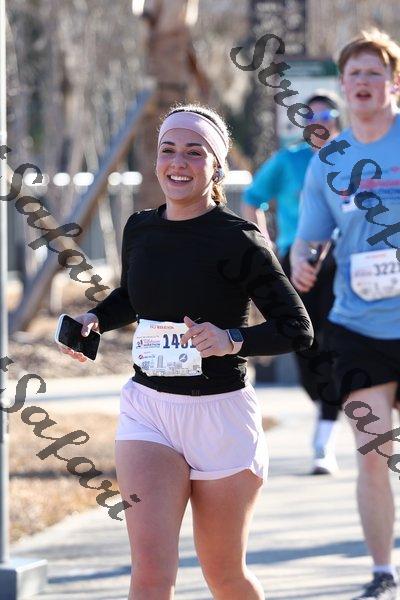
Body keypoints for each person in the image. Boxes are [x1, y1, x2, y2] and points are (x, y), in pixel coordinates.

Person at [57, 104, 313, 600]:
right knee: (150, 574)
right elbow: (133, 296)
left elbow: (296, 329)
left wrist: (231, 339)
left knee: (224, 576)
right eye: (168, 150)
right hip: (149, 411)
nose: (178, 162)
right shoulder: (140, 228)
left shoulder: (239, 238)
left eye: (195, 152)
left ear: (215, 166)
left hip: (220, 417)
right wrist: (96, 319)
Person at [291, 29, 400, 600]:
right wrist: (301, 261)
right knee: (374, 454)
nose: (363, 82)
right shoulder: (329, 162)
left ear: (393, 82)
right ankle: (382, 571)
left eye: (374, 73)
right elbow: (310, 236)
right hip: (359, 326)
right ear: (342, 85)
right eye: (354, 73)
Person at [241, 92, 342, 475]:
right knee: (304, 347)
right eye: (311, 116)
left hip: (340, 264)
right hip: (294, 261)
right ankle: (325, 407)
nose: (320, 122)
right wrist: (265, 246)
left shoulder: (354, 159)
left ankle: (324, 438)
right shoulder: (288, 161)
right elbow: (252, 199)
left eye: (327, 115)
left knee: (334, 345)